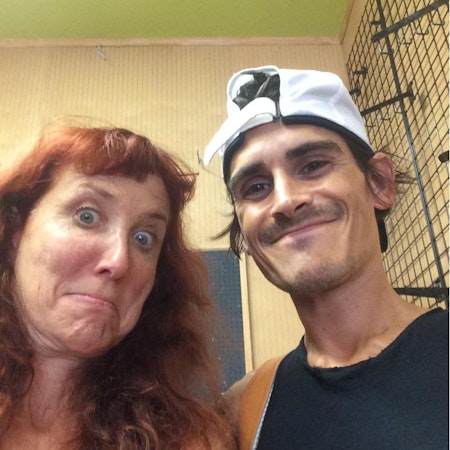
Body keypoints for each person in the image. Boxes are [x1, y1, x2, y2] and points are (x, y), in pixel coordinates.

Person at [203, 65, 449, 449]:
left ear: (379, 183)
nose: (286, 200)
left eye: (313, 165)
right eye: (256, 187)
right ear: (245, 236)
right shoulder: (244, 411)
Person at [0, 125, 235, 449]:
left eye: (144, 238)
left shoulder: (193, 441)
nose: (120, 261)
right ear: (16, 231)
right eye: (86, 217)